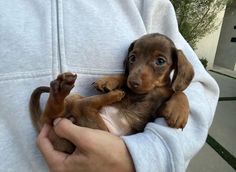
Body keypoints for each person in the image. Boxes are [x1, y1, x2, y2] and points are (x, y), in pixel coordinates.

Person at [0, 0, 219, 172]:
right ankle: (59, 103)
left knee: (73, 105)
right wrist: (118, 79)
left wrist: (145, 156)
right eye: (133, 59)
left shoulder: (147, 4)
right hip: (41, 143)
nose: (135, 75)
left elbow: (196, 85)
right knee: (68, 107)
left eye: (159, 62)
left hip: (107, 134)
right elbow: (130, 77)